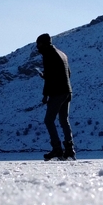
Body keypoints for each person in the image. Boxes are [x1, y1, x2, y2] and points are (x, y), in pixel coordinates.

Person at [36, 33, 75, 161]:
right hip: (67, 91)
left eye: (39, 44)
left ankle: (57, 149)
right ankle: (69, 150)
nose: (38, 47)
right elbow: (68, 73)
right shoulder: (62, 54)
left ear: (44, 43)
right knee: (64, 120)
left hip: (57, 92)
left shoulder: (48, 55)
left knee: (49, 120)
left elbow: (49, 78)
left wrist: (45, 95)